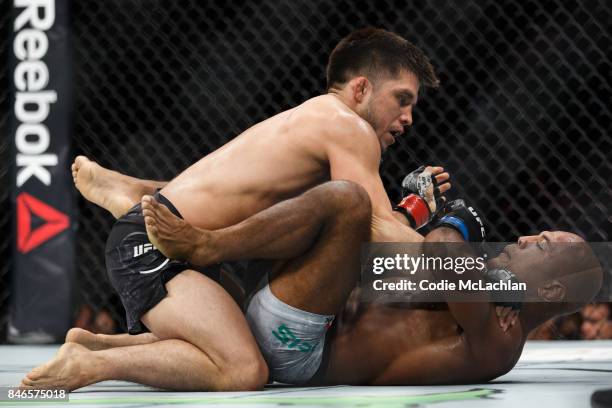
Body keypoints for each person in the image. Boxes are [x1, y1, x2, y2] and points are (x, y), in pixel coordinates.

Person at [20, 27, 447, 391]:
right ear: (361, 88)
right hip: (158, 250)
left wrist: (415, 225)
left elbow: (354, 228)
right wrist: (475, 273)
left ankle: (101, 337)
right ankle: (91, 366)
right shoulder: (349, 129)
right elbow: (373, 229)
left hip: (187, 245)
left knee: (247, 340)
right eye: (402, 98)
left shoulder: (315, 122)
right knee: (243, 369)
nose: (409, 117)